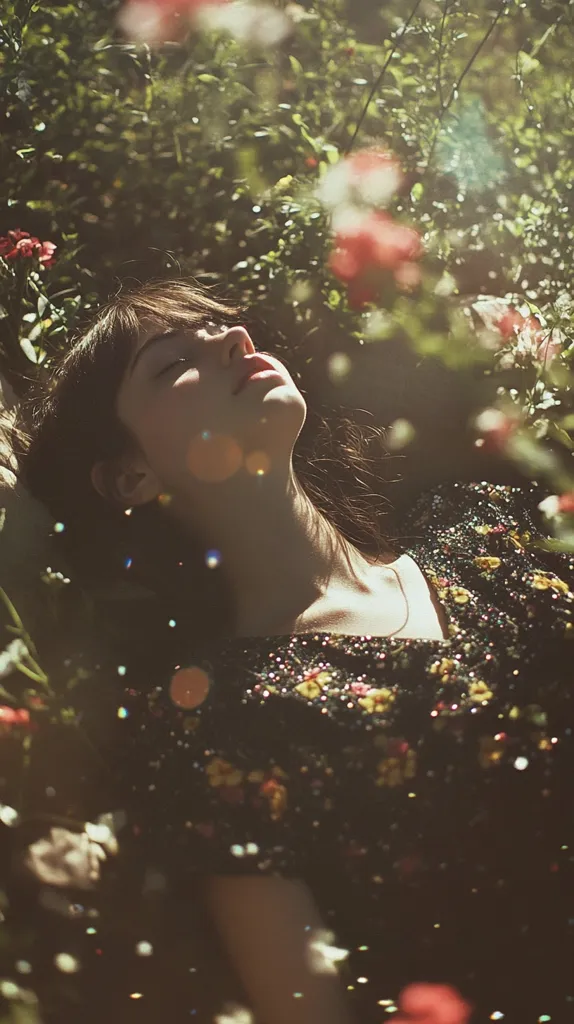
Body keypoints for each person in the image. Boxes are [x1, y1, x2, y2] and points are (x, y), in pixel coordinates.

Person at [11, 277, 574, 1024]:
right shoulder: (226, 739)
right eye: (173, 360)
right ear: (132, 475)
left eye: (223, 325)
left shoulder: (491, 532)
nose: (231, 337)